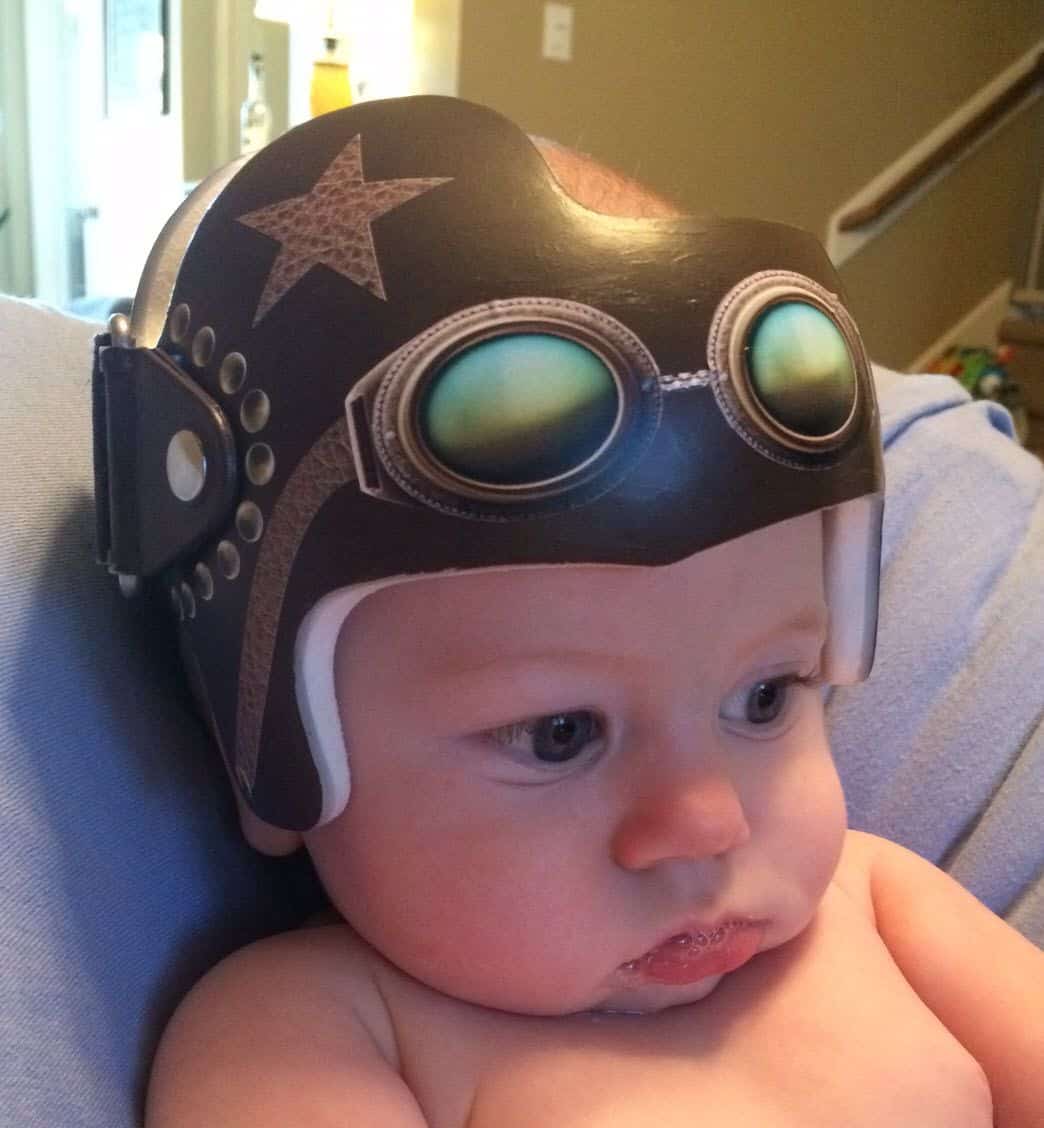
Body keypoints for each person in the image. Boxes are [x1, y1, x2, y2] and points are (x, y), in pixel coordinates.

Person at [91, 97, 1042, 1125]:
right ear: (274, 751)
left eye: (768, 696)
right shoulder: (306, 1034)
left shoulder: (881, 903)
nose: (708, 824)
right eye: (559, 734)